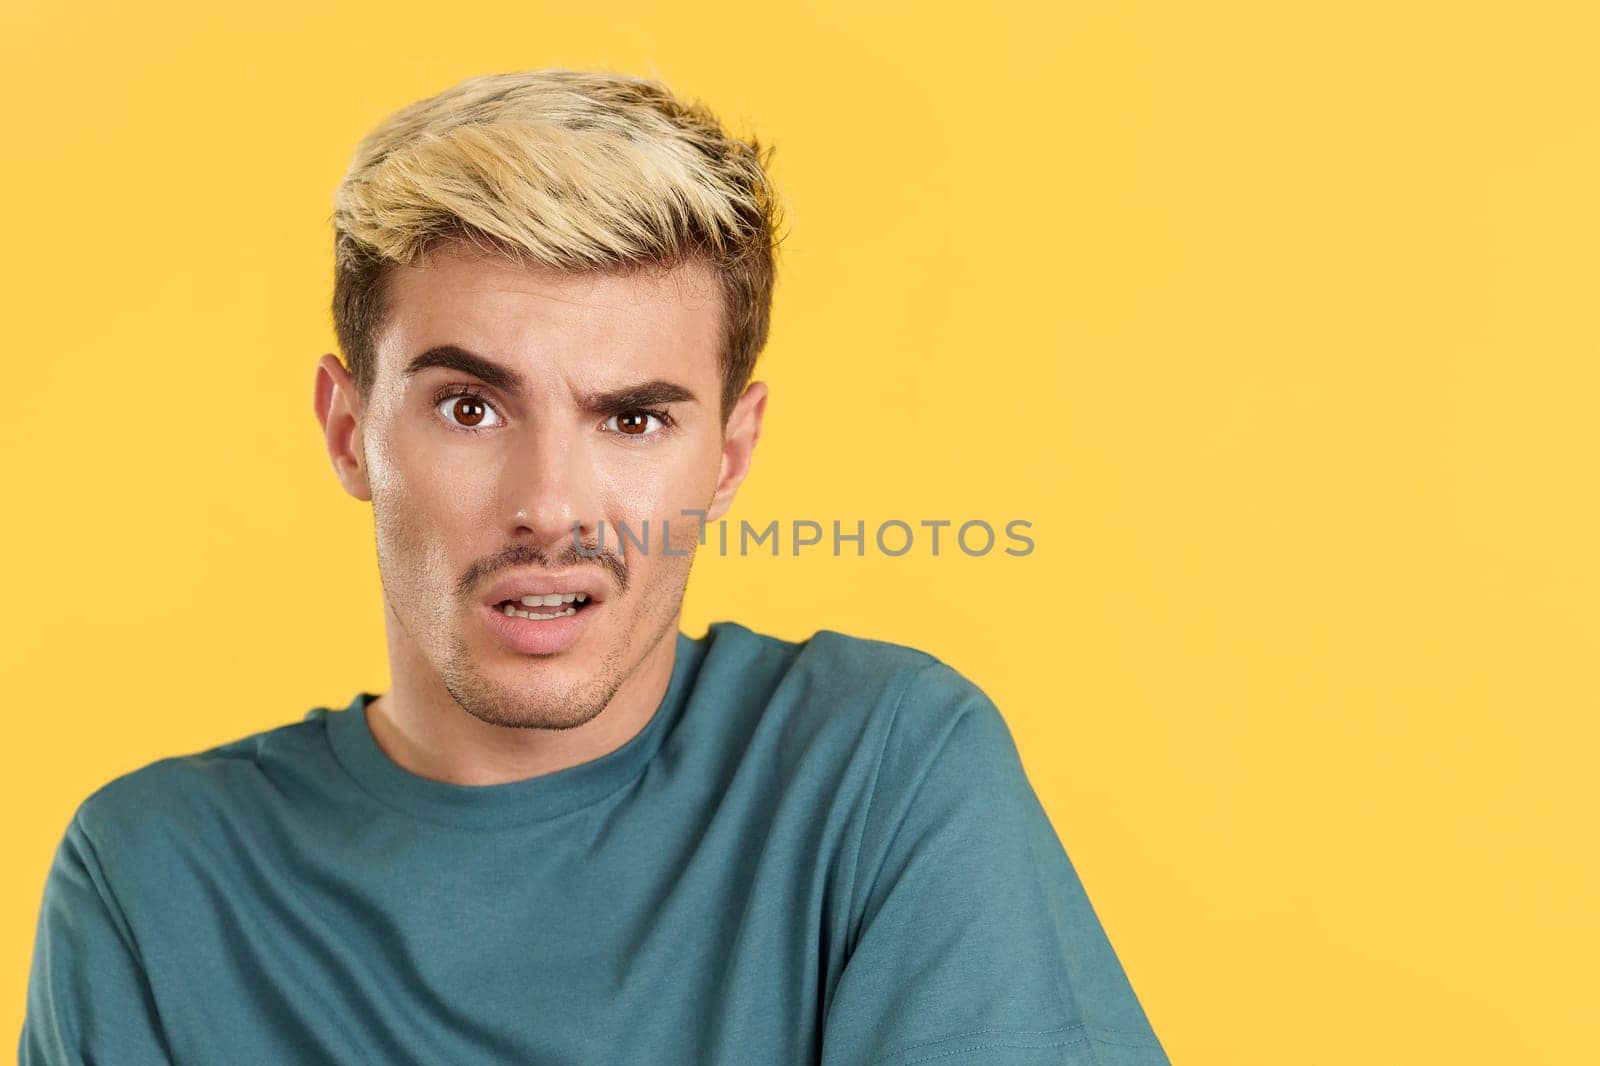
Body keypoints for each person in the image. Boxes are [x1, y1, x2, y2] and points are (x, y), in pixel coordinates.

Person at [20, 69, 1170, 1065]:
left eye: (631, 420)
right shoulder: (153, 878)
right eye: (470, 407)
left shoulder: (879, 772)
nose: (549, 508)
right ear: (347, 429)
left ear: (728, 453)